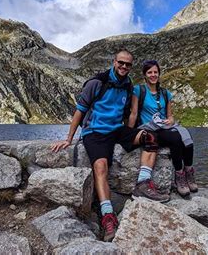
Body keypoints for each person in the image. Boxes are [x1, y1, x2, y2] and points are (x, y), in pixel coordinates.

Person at [51, 49, 169, 242]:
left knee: (151, 137)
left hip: (116, 129)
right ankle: (107, 215)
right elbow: (80, 110)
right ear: (114, 62)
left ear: (131, 67)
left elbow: (128, 113)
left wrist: (131, 134)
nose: (124, 67)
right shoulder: (96, 83)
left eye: (128, 65)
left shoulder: (127, 84)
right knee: (100, 166)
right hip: (94, 132)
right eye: (121, 63)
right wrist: (68, 138)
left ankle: (143, 183)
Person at [128, 60, 198, 197]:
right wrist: (129, 134)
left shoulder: (166, 94)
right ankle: (179, 176)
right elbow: (134, 113)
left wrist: (169, 120)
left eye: (155, 72)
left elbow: (170, 116)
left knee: (186, 136)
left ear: (159, 74)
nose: (153, 75)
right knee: (175, 138)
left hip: (163, 127)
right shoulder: (138, 90)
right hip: (149, 129)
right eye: (150, 72)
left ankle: (189, 172)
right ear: (145, 75)